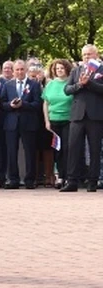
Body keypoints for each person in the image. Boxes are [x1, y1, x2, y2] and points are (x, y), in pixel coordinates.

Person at [61, 44, 103, 192]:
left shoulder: (101, 70)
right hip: (77, 115)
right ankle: (72, 181)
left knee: (95, 149)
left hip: (95, 115)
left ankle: (92, 181)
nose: (86, 57)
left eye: (89, 54)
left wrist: (89, 83)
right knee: (73, 148)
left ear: (96, 55)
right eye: (84, 54)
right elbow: (67, 89)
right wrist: (80, 84)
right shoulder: (76, 70)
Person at [0, 59, 43, 189]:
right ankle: (13, 179)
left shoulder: (34, 85)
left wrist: (24, 104)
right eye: (17, 70)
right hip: (11, 123)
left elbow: (37, 104)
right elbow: (2, 103)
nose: (19, 72)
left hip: (28, 122)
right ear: (13, 71)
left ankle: (30, 180)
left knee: (30, 152)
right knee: (11, 152)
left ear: (26, 70)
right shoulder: (8, 85)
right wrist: (11, 105)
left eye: (22, 69)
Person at [43, 58, 73, 188]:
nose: (59, 71)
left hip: (68, 120)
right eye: (57, 69)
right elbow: (45, 103)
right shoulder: (50, 84)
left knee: (67, 148)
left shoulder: (71, 83)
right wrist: (47, 121)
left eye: (62, 68)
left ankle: (67, 176)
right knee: (57, 150)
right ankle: (60, 176)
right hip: (54, 121)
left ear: (67, 69)